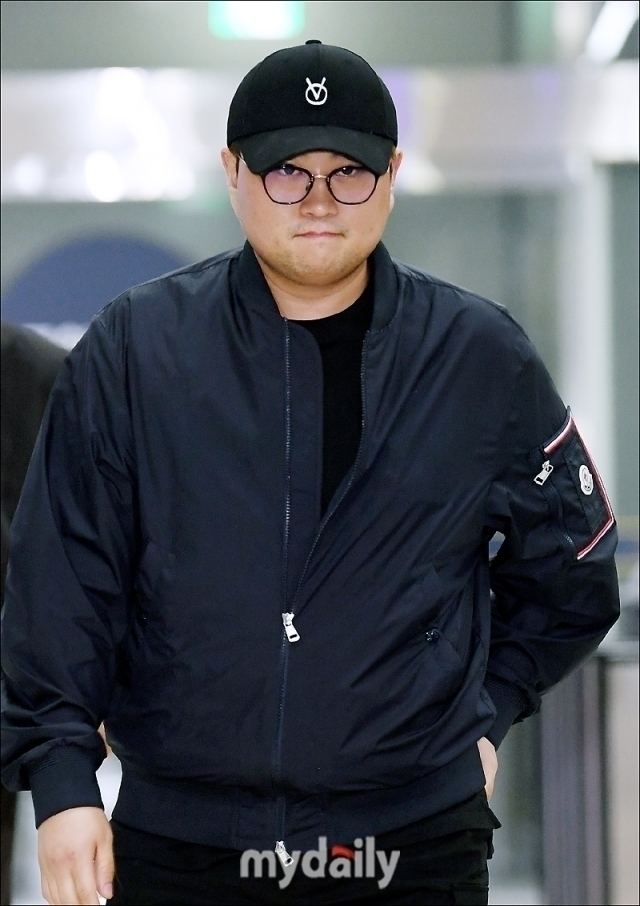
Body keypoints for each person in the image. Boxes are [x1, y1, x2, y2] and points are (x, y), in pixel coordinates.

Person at [1, 40, 619, 906]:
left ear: (392, 174)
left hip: (413, 848)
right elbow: (63, 580)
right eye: (287, 172)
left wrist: (489, 709)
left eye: (349, 172)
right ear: (234, 172)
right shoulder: (135, 349)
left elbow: (573, 571)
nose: (320, 200)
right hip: (186, 848)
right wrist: (63, 782)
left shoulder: (479, 357)